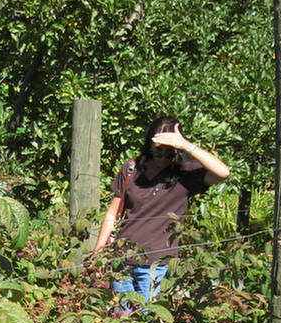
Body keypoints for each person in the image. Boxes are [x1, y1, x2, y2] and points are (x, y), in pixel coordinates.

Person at [93, 117, 230, 303]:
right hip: (122, 260)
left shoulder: (186, 174)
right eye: (159, 152)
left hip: (155, 264)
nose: (164, 158)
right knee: (120, 320)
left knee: (147, 319)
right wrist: (100, 249)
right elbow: (112, 213)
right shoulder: (132, 169)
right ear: (149, 146)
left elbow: (223, 173)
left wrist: (186, 145)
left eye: (169, 153)